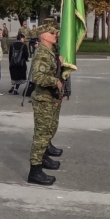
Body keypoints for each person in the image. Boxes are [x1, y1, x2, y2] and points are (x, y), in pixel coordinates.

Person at [26, 23, 67, 185]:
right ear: (44, 36)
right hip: (43, 99)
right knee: (41, 136)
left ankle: (43, 158)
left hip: (51, 98)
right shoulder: (42, 53)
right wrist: (55, 81)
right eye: (52, 33)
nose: (55, 35)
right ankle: (34, 171)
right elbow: (38, 77)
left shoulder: (50, 52)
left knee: (50, 129)